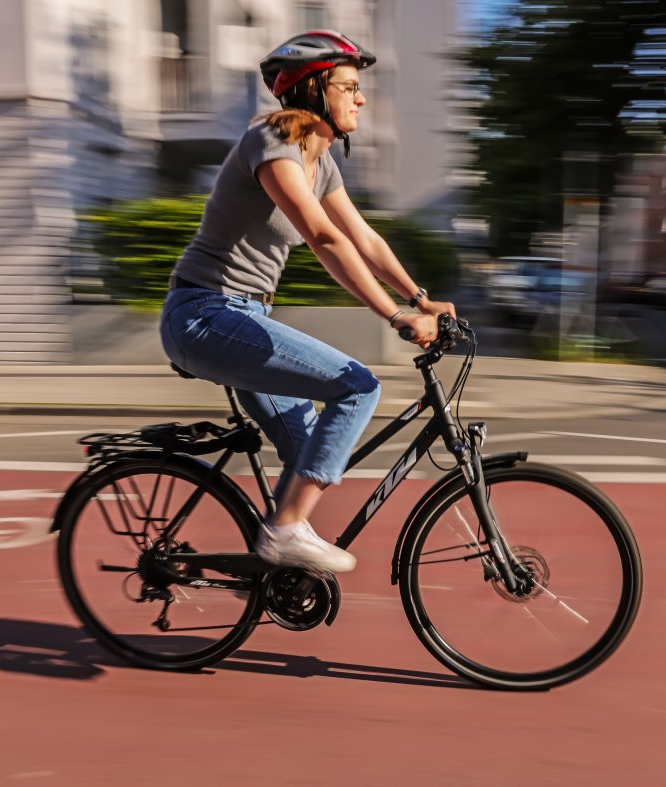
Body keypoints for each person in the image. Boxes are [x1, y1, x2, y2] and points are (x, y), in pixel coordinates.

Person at [160, 30, 455, 575]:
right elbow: (323, 238)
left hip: (244, 317)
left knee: (305, 452)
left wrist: (420, 298)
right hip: (205, 314)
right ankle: (284, 533)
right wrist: (395, 316)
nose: (360, 98)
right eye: (349, 87)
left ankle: (274, 568)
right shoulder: (270, 141)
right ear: (314, 91)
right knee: (357, 386)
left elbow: (363, 237)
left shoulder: (321, 164)